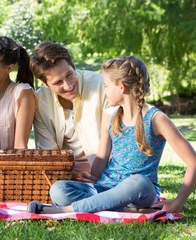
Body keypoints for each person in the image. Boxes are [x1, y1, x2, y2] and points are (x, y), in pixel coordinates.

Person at [27, 56, 196, 214]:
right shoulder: (110, 115)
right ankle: (123, 210)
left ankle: (63, 211)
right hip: (106, 187)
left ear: (121, 87)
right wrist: (91, 177)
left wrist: (177, 202)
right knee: (59, 189)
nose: (104, 91)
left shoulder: (156, 119)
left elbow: (193, 161)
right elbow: (101, 159)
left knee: (137, 182)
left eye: (106, 86)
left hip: (140, 191)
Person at [30, 42, 108, 179]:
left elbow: (120, 138)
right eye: (58, 82)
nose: (68, 85)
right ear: (45, 84)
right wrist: (74, 175)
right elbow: (49, 156)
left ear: (73, 66)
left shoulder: (101, 85)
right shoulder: (39, 101)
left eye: (69, 75)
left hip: (108, 170)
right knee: (58, 192)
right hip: (69, 175)